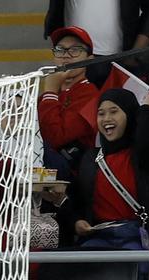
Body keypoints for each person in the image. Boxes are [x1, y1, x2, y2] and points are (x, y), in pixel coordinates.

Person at [61, 88, 149, 253]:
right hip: (98, 236)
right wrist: (76, 221)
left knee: (135, 263)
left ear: (130, 115)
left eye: (114, 111)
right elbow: (78, 201)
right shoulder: (89, 158)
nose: (106, 119)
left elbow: (146, 139)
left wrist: (146, 109)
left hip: (136, 236)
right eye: (101, 113)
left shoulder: (142, 156)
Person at [38, 27, 100, 177]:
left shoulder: (90, 94)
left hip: (71, 175)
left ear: (89, 59)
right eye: (60, 50)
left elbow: (56, 139)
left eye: (75, 50)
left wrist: (50, 91)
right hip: (40, 170)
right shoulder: (49, 94)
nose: (66, 55)